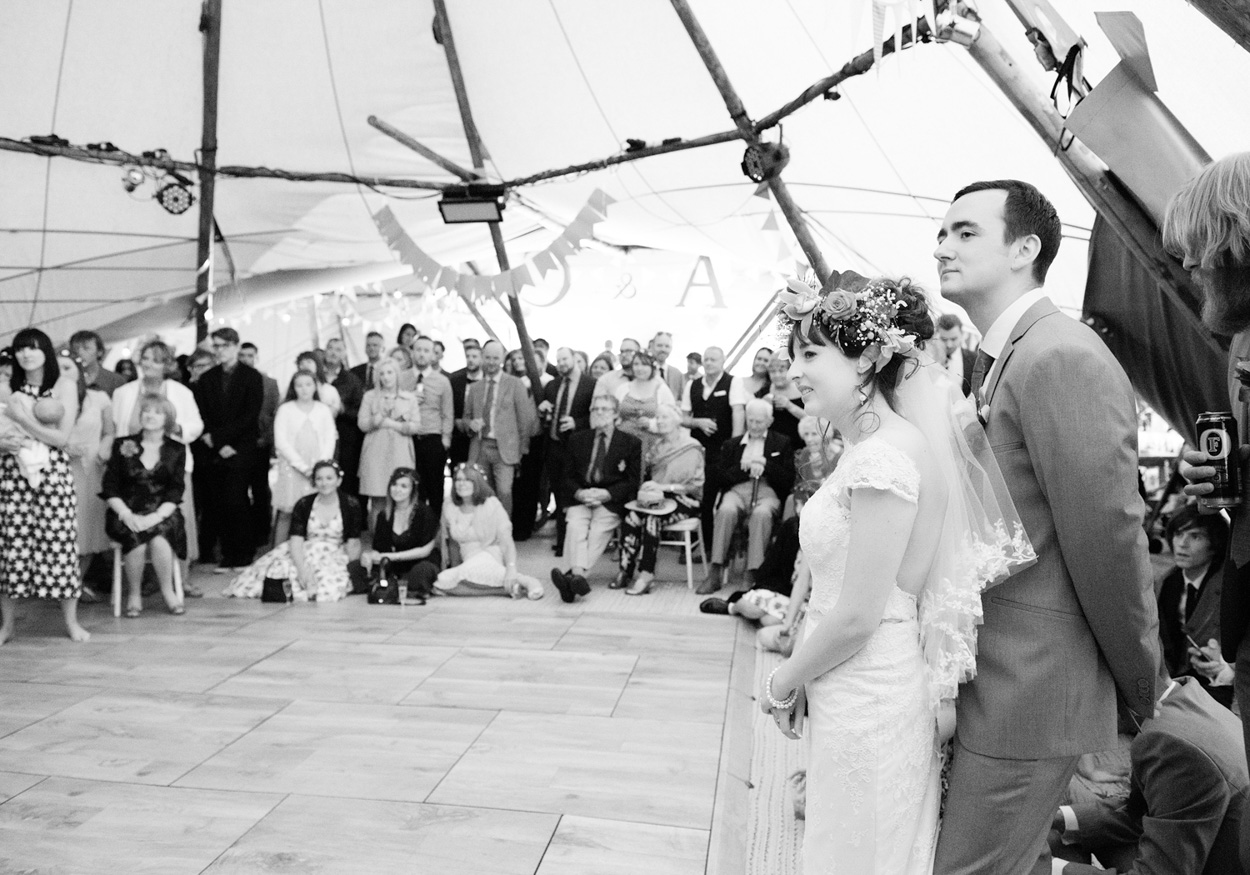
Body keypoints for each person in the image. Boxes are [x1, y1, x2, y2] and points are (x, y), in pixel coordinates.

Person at [761, 273, 1034, 874]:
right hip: (854, 678)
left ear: (869, 358)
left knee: (858, 853)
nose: (795, 370)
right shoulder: (878, 447)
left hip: (869, 686)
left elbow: (861, 613)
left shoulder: (886, 456)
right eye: (792, 355)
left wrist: (782, 679)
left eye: (810, 354)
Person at [932, 179, 1160, 874]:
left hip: (1030, 691)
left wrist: (1145, 682)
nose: (942, 246)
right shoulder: (1010, 354)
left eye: (966, 231)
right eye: (941, 233)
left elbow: (1109, 542)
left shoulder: (1059, 354)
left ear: (1025, 248)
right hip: (996, 676)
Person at [1169, 154, 1250, 868]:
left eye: (1198, 248)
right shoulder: (1240, 348)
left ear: (1234, 243)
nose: (1190, 266)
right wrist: (1222, 480)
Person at [1048, 676, 1249, 875]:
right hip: (1196, 847)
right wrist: (1059, 818)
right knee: (1062, 819)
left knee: (1061, 807)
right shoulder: (1188, 698)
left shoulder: (1171, 744)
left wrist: (1053, 869)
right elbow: (1142, 813)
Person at [0, 327, 90, 644]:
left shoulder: (63, 386)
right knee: (13, 546)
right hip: (14, 474)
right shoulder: (6, 387)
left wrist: (24, 421)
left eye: (33, 348)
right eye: (21, 348)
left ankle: (71, 621)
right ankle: (7, 626)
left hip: (53, 473)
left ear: (46, 351)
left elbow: (62, 439)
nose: (26, 354)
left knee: (61, 544)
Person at [113, 340, 205, 582]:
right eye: (145, 358)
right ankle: (140, 580)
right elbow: (117, 428)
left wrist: (176, 428)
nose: (148, 364)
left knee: (177, 520)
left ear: (167, 365)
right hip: (134, 471)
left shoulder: (181, 392)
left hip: (171, 467)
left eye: (155, 359)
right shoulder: (123, 393)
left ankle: (181, 580)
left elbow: (196, 426)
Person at [224, 460, 364, 602]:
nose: (324, 483)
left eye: (329, 478)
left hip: (334, 553)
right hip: (303, 550)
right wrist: (301, 570)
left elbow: (353, 542)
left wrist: (354, 571)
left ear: (338, 481)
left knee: (329, 587)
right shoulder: (304, 504)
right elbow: (296, 539)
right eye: (319, 479)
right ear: (314, 482)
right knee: (278, 571)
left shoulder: (350, 504)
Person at [101, 393, 188, 616]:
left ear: (167, 419)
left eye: (157, 412)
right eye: (146, 411)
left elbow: (176, 489)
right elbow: (110, 485)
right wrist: (125, 514)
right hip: (127, 511)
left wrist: (157, 516)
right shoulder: (123, 444)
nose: (150, 415)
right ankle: (134, 594)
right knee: (136, 540)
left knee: (159, 539)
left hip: (162, 512)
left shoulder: (177, 449)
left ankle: (168, 592)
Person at [550, 394, 641, 602]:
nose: (599, 413)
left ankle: (573, 577)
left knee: (599, 530)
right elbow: (567, 477)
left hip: (609, 500)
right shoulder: (578, 439)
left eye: (605, 409)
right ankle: (577, 579)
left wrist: (607, 494)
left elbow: (633, 480)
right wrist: (580, 493)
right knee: (575, 526)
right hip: (581, 497)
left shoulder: (630, 443)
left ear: (616, 414)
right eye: (595, 409)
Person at [192, 327, 265, 573]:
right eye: (216, 346)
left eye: (224, 345)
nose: (220, 351)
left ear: (235, 346)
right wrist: (217, 442)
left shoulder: (252, 376)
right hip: (215, 447)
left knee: (237, 499)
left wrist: (225, 441)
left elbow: (250, 415)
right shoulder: (207, 378)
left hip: (240, 447)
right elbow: (202, 412)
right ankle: (228, 553)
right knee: (219, 502)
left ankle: (244, 552)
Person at [616, 402, 704, 596]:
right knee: (631, 515)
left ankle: (646, 574)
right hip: (657, 499)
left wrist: (663, 487)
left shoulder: (691, 446)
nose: (661, 421)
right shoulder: (656, 447)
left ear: (677, 420)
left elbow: (694, 486)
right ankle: (626, 569)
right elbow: (648, 477)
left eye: (665, 417)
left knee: (652, 518)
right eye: (658, 417)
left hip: (686, 499)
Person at [706, 398, 793, 593]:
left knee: (761, 515)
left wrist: (765, 464)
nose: (754, 425)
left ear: (769, 421)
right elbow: (720, 478)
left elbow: (788, 479)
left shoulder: (782, 442)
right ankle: (715, 569)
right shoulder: (732, 444)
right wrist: (742, 468)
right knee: (725, 510)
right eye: (750, 421)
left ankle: (752, 572)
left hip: (767, 491)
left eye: (759, 422)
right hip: (738, 490)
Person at [1155, 505, 1232, 708]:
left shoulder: (1230, 586)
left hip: (1218, 688)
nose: (1182, 544)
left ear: (1215, 544)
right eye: (1178, 534)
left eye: (1196, 536)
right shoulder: (1166, 581)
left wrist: (1226, 666)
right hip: (1173, 682)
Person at [435, 463, 543, 599]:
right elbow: (452, 543)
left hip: (488, 552)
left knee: (452, 580)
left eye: (468, 480)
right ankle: (507, 590)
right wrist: (454, 568)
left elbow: (507, 542)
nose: (462, 484)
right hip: (467, 557)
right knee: (442, 582)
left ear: (477, 483)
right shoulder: (449, 505)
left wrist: (511, 568)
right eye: (458, 480)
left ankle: (525, 580)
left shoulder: (491, 504)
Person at [60, 351, 114, 600]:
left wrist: (105, 447)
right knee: (65, 529)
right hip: (60, 468)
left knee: (90, 528)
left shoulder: (99, 398)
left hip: (92, 466)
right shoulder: (49, 399)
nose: (63, 373)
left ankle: (76, 583)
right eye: (58, 368)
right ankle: (62, 582)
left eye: (68, 368)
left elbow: (109, 431)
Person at [681, 345, 747, 550]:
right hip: (697, 453)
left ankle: (717, 547)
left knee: (717, 501)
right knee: (699, 499)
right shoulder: (692, 385)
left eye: (714, 360)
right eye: (706, 359)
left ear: (722, 362)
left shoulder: (733, 382)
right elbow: (683, 418)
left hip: (723, 452)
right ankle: (698, 546)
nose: (709, 363)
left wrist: (735, 446)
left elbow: (738, 412)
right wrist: (697, 422)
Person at [464, 339, 538, 516]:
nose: (491, 362)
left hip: (505, 449)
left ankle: (503, 533)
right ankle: (484, 534)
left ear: (503, 358)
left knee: (504, 492)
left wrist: (521, 449)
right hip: (480, 447)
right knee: (480, 492)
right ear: (482, 357)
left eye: (495, 358)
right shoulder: (474, 388)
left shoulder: (514, 384)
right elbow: (465, 418)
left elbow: (525, 420)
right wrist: (470, 424)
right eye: (488, 357)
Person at [540, 347, 597, 554]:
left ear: (575, 359)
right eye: (558, 360)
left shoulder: (591, 385)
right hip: (554, 446)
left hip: (578, 449)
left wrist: (577, 422)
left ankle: (574, 541)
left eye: (565, 359)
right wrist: (543, 409)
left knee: (573, 493)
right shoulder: (553, 385)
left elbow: (597, 416)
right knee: (558, 493)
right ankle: (562, 540)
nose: (562, 363)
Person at [272, 371, 337, 545]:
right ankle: (278, 554)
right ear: (293, 388)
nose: (304, 389)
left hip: (318, 468)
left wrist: (320, 467)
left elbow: (329, 438)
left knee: (313, 511)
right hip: (292, 468)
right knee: (287, 512)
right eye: (299, 385)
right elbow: (281, 441)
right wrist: (302, 467)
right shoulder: (285, 409)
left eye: (308, 384)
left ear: (315, 386)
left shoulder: (323, 410)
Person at [356, 467, 441, 601]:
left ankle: (406, 588)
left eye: (404, 486)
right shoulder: (384, 515)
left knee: (422, 572)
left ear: (413, 490)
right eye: (394, 485)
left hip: (419, 562)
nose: (397, 489)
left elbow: (425, 551)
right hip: (392, 566)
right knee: (355, 568)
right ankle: (389, 587)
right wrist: (368, 556)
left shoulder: (425, 513)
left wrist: (392, 556)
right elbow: (379, 550)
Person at [357, 358, 420, 522]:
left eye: (390, 372)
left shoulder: (409, 398)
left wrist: (392, 424)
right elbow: (362, 424)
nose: (386, 377)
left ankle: (400, 540)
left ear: (397, 374)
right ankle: (377, 542)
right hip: (375, 451)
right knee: (378, 500)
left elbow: (416, 426)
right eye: (382, 373)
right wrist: (378, 418)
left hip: (400, 451)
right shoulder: (370, 397)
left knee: (401, 498)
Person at [407, 336, 454, 517]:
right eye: (418, 350)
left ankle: (435, 532)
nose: (422, 354)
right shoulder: (402, 378)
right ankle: (413, 529)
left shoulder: (442, 381)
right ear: (412, 352)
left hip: (433, 439)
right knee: (412, 486)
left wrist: (445, 440)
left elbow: (447, 412)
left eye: (427, 351)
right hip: (408, 438)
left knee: (435, 487)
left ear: (433, 355)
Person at [240, 342, 279, 553]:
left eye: (250, 355)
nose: (246, 359)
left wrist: (267, 439)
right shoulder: (233, 383)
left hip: (260, 443)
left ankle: (262, 532)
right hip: (239, 444)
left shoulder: (269, 383)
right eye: (242, 355)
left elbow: (274, 414)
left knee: (260, 489)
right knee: (240, 491)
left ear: (256, 357)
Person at [612, 351, 676, 463]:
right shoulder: (623, 389)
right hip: (624, 440)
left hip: (652, 442)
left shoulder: (661, 389)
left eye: (644, 364)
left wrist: (651, 424)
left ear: (652, 367)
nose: (640, 368)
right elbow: (613, 413)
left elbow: (672, 418)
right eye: (636, 364)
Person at [323, 338, 366, 497]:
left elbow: (359, 412)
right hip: (317, 436)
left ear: (344, 354)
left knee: (345, 483)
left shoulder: (352, 380)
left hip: (344, 439)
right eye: (330, 348)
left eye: (338, 349)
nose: (333, 352)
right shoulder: (315, 377)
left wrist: (343, 409)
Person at [448, 338, 483, 470]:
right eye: (468, 356)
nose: (470, 359)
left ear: (481, 358)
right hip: (459, 435)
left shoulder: (488, 379)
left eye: (474, 356)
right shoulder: (455, 379)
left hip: (481, 436)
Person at [764, 350, 804, 449]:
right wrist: (763, 406)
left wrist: (789, 405)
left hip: (800, 445)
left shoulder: (803, 389)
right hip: (775, 448)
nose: (777, 375)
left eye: (781, 371)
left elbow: (814, 420)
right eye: (773, 371)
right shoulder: (764, 391)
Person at [69, 329, 127, 397]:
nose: (80, 353)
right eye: (76, 349)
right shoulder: (69, 379)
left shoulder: (115, 381)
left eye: (86, 348)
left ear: (99, 352)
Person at [935, 313, 977, 397]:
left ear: (962, 334)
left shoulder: (974, 359)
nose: (949, 345)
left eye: (953, 339)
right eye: (944, 339)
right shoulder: (928, 358)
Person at [650, 331, 685, 398]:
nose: (663, 349)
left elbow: (682, 401)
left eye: (667, 346)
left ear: (671, 348)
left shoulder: (677, 374)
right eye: (659, 345)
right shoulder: (644, 371)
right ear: (652, 346)